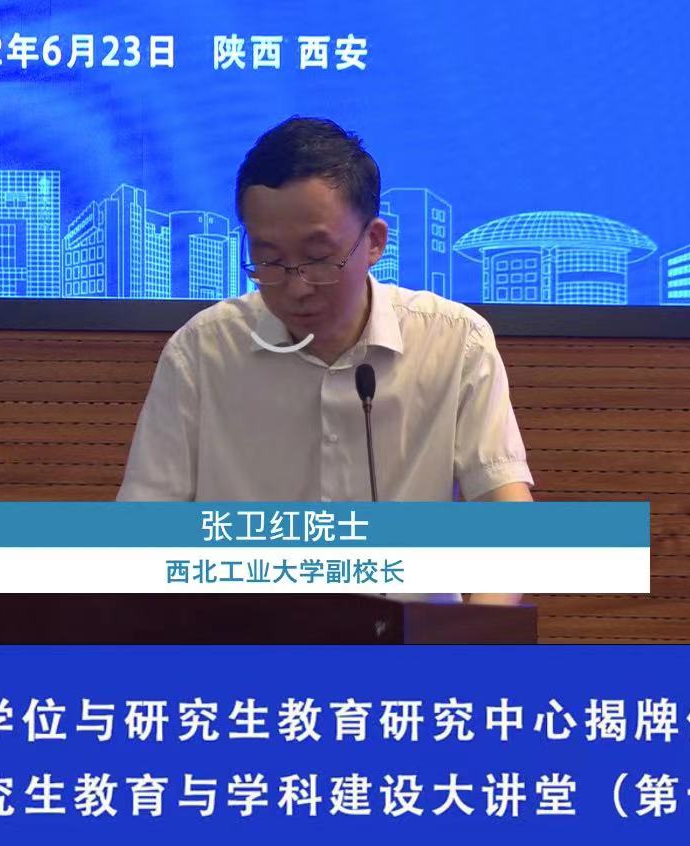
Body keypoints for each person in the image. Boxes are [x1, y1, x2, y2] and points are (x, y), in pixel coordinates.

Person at [117, 116, 534, 605]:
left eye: (318, 258)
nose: (296, 287)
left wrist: (475, 636)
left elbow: (506, 514)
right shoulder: (202, 352)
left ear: (374, 242)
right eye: (269, 260)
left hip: (412, 643)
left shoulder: (455, 342)